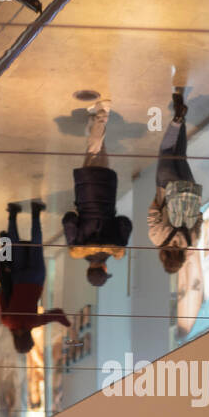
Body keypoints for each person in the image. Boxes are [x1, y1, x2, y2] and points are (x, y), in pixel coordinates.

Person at [62, 102, 132, 287]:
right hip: (86, 193)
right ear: (89, 269)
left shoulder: (113, 248)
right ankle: (102, 113)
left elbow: (124, 222)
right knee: (94, 152)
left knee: (99, 153)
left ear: (104, 269)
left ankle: (95, 122)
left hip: (108, 194)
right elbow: (69, 220)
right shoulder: (78, 247)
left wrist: (122, 242)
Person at [0, 200, 71, 355]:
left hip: (36, 280)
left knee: (36, 245)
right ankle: (12, 213)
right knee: (15, 246)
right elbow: (2, 296)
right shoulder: (7, 322)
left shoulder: (33, 323)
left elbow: (57, 313)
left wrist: (68, 325)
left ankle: (36, 212)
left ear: (28, 338)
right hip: (17, 280)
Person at [147, 89, 203, 274]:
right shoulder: (157, 239)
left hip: (188, 187)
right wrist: (158, 200)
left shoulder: (191, 241)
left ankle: (180, 111)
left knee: (180, 155)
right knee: (166, 151)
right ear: (164, 258)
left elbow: (199, 218)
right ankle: (178, 117)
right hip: (167, 187)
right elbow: (153, 212)